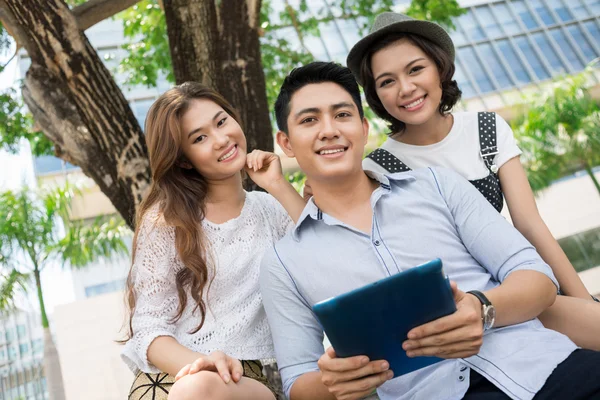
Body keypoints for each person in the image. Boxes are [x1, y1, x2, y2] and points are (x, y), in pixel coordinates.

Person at [260, 61, 600, 400]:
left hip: (546, 367)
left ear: (363, 128)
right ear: (286, 143)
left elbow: (536, 277)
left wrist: (482, 309)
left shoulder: (437, 184)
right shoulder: (283, 262)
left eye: (342, 115)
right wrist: (336, 380)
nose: (329, 130)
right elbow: (297, 382)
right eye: (309, 120)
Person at [344, 12, 600, 350]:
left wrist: (583, 300)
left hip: (519, 286)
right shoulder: (378, 167)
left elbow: (529, 224)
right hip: (455, 307)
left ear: (440, 67)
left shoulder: (486, 129)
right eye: (387, 81)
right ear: (376, 95)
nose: (405, 89)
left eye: (415, 69)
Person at [120, 82, 304, 400]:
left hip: (248, 378)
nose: (221, 140)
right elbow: (148, 327)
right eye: (200, 138)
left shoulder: (271, 210)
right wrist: (201, 365)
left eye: (221, 122)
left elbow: (324, 261)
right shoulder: (166, 221)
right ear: (183, 160)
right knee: (198, 387)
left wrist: (278, 185)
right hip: (175, 376)